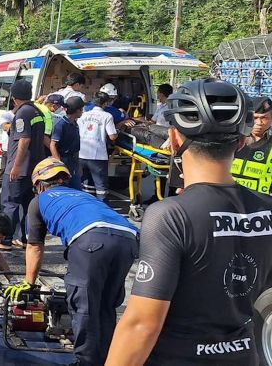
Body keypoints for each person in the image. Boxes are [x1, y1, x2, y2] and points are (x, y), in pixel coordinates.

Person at [106, 79, 272, 366]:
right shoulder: (266, 210)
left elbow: (141, 325)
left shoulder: (170, 216)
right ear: (243, 141)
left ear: (174, 139)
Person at [6, 158, 137, 366]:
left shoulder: (39, 201)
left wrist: (29, 283)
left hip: (91, 240)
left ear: (39, 184)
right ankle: (109, 359)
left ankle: (85, 361)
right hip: (128, 239)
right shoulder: (83, 195)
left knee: (84, 306)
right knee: (105, 304)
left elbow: (34, 246)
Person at [0, 79, 46, 249]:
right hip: (33, 169)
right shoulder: (37, 112)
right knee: (27, 205)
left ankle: (5, 240)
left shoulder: (22, 114)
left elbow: (24, 139)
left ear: (14, 97)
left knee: (10, 203)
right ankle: (23, 238)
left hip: (19, 168)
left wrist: (16, 166)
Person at [78, 90, 118, 201]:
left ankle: (87, 206)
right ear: (105, 103)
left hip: (82, 153)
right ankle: (102, 209)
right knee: (101, 186)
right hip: (98, 156)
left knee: (86, 184)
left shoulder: (83, 114)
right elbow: (112, 136)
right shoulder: (107, 116)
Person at [232, 96, 272, 194]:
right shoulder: (231, 141)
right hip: (232, 201)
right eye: (255, 118)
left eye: (264, 118)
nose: (259, 123)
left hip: (263, 204)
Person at [50, 96, 85, 190]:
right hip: (63, 160)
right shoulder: (61, 124)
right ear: (77, 110)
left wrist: (78, 166)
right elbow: (53, 145)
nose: (82, 111)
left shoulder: (75, 124)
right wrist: (59, 165)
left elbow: (76, 147)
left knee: (77, 190)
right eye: (81, 109)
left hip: (73, 162)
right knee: (63, 189)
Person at [0, 109, 15, 194]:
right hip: (7, 148)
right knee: (5, 170)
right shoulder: (7, 115)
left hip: (15, 148)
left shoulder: (23, 114)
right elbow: (5, 127)